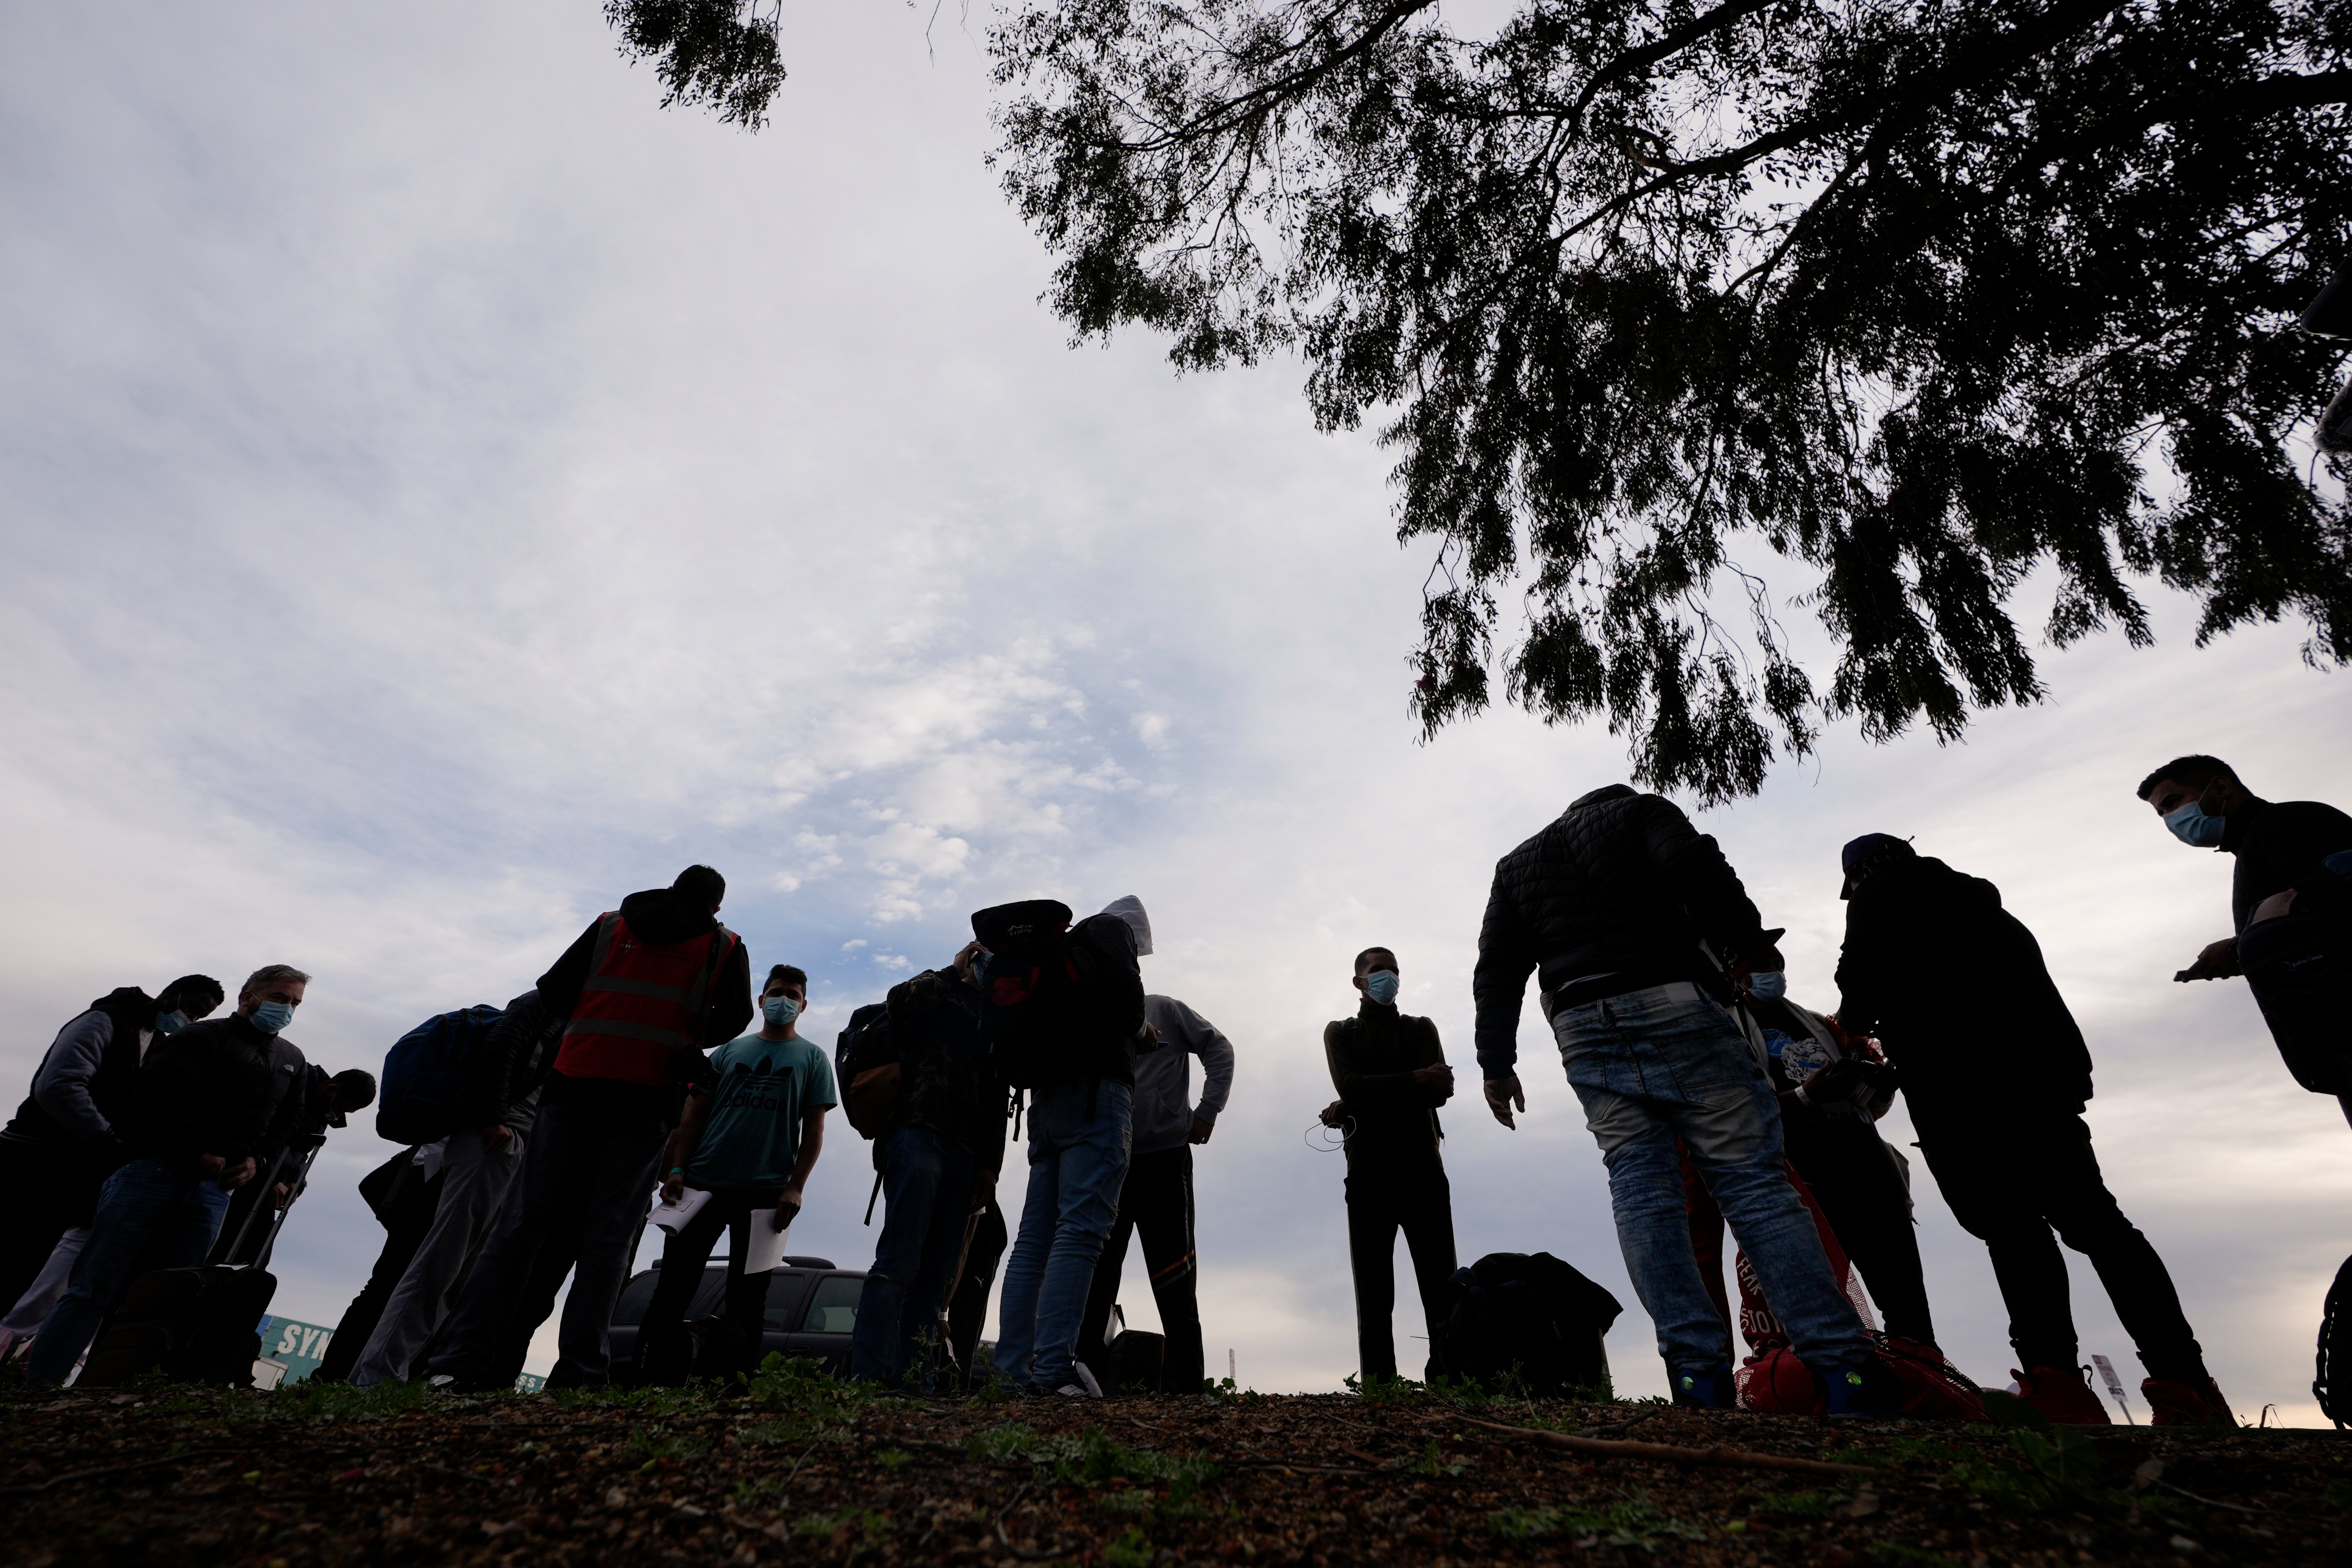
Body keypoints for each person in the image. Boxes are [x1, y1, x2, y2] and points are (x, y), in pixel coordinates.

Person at [1472, 785, 1889, 1415]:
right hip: (1672, 998)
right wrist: (1750, 944)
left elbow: (1497, 968)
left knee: (1641, 1191)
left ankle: (1696, 1375)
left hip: (1582, 1025)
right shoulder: (1643, 812)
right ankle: (1843, 1369)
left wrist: (1496, 1064)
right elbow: (1697, 870)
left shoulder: (1517, 864)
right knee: (1752, 1184)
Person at [1835, 832, 2231, 1426]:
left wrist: (1854, 1035)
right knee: (2100, 1226)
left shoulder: (1878, 895)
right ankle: (2186, 1382)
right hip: (2044, 1092)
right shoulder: (1990, 911)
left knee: (2013, 1234)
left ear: (1859, 876)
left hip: (1960, 1101)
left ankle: (2058, 1384)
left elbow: (1858, 994)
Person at [425, 865, 751, 1391]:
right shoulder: (723, 945)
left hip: (574, 1086)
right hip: (648, 1100)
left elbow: (554, 992)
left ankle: (458, 1363)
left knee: (519, 1228)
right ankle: (580, 1373)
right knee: (608, 1240)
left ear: (670, 888)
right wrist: (683, 1035)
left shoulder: (610, 925)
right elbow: (734, 1019)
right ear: (716, 907)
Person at [24, 964, 310, 1386]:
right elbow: (156, 1098)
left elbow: (287, 1122)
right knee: (95, 1286)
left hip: (215, 1190)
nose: (286, 1009)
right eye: (279, 998)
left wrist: (258, 1161)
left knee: (163, 1298)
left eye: (295, 1003)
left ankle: (109, 1388)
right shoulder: (198, 1037)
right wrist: (196, 1150)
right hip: (152, 1172)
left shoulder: (292, 1060)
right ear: (248, 997)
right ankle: (42, 1385)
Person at [0, 974, 225, 1355]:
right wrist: (108, 1139)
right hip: (35, 1156)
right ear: (171, 994)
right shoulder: (105, 1020)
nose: (190, 1019)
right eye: (190, 1008)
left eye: (200, 1016)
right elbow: (59, 1084)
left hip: (84, 1169)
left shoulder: (158, 1043)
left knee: (31, 1267)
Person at [635, 964, 835, 1384]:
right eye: (777, 992)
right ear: (761, 1001)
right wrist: (677, 1169)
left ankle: (735, 1387)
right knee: (673, 1290)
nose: (784, 1000)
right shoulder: (727, 1052)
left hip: (767, 1198)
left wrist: (795, 1188)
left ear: (803, 1006)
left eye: (793, 995)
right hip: (703, 1187)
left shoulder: (814, 1058)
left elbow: (815, 1132)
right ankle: (649, 1380)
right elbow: (693, 1117)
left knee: (749, 1302)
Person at [984, 898, 1151, 1397]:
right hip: (1096, 1099)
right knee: (1080, 1233)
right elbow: (1132, 1008)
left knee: (1033, 1241)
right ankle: (1054, 1369)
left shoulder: (1058, 952)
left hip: (1047, 1103)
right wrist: (1142, 1032)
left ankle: (1009, 1373)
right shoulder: (1111, 931)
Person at [347, 993, 557, 1385]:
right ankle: (378, 1375)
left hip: (519, 1146)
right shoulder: (551, 999)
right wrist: (492, 1117)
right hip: (497, 1139)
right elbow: (502, 1047)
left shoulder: (580, 1009)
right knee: (440, 1264)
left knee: (461, 1274)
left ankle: (382, 1373)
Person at [1729, 962, 1934, 1352]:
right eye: (1761, 964)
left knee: (1905, 1300)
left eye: (1776, 963)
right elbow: (1737, 1113)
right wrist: (1806, 1096)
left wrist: (1878, 1084)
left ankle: (1920, 1365)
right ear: (1736, 973)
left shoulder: (1821, 1025)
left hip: (1869, 1169)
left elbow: (1870, 1105)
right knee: (1818, 1306)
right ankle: (1832, 1375)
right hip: (1803, 1183)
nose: (1774, 971)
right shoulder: (1726, 1032)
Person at [1076, 897, 1235, 1396]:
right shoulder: (1093, 1016)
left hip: (1165, 1159)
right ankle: (1084, 1377)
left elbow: (1219, 1048)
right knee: (1100, 1271)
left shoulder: (1164, 1008)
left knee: (1175, 1273)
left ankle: (1189, 1387)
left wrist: (1208, 1109)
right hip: (1112, 1159)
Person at [2138, 755, 2352, 1122]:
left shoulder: (2289, 821)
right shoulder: (2255, 845)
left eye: (2173, 803)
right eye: (2162, 815)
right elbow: (2298, 931)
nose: (2172, 821)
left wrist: (2239, 947)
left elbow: (2331, 911)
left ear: (2221, 787)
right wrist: (2245, 952)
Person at [851, 944, 1003, 1389]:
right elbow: (898, 1002)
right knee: (897, 1261)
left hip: (966, 1154)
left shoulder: (995, 1016)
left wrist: (990, 1166)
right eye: (982, 957)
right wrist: (952, 971)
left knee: (935, 1277)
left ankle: (914, 1382)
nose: (987, 966)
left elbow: (998, 1094)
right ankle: (870, 1379)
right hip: (917, 1133)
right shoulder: (938, 990)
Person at [1319, 946, 1457, 1387]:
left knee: (1442, 1287)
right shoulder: (1340, 1033)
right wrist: (1416, 1078)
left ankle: (1451, 1382)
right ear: (1359, 982)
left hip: (1425, 1173)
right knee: (1374, 1293)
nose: (1389, 978)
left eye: (1394, 970)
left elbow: (1441, 1091)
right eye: (1379, 971)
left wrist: (1361, 1099)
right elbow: (1352, 1087)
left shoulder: (1421, 1028)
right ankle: (1380, 1389)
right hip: (1368, 1176)